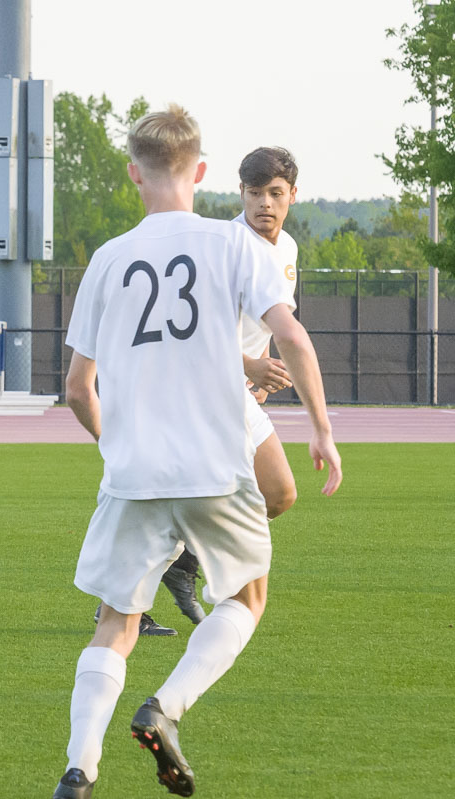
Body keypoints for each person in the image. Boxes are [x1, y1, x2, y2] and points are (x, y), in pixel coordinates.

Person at [52, 106, 341, 798]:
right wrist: (322, 429)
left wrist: (113, 443)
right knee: (247, 594)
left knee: (115, 623)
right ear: (202, 172)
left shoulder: (108, 259)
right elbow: (292, 339)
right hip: (214, 463)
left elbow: (75, 389)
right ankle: (166, 706)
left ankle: (78, 769)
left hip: (135, 468)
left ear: (134, 173)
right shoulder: (234, 244)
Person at [159, 146, 307, 627]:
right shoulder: (220, 246)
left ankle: (178, 566)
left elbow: (266, 321)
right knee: (264, 491)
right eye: (255, 192)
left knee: (275, 495)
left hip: (238, 392)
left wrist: (259, 368)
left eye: (275, 193)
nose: (265, 202)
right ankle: (142, 587)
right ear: (240, 193)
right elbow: (192, 332)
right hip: (199, 389)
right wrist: (250, 365)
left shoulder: (287, 251)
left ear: (292, 196)